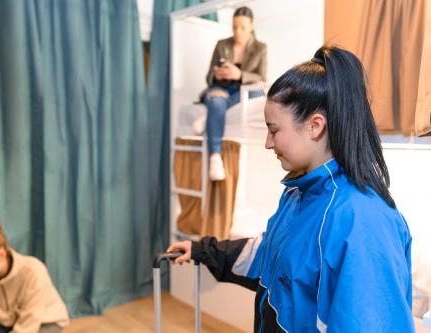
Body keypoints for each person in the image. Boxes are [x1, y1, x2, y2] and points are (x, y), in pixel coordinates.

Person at [168, 46, 414, 332]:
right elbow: (269, 253)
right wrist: (203, 250)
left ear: (315, 126)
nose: (268, 143)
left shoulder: (363, 220)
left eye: (274, 130)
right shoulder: (298, 194)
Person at [0, 218, 70, 333]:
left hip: (44, 321)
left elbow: (29, 323)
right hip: (6, 323)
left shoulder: (33, 271)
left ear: (1, 255)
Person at [199, 6, 267, 181]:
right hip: (222, 88)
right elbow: (209, 77)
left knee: (255, 92)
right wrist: (218, 74)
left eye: (242, 27)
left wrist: (240, 75)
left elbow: (262, 79)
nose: (238, 31)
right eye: (234, 27)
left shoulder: (260, 48)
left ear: (251, 26)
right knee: (217, 100)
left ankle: (210, 115)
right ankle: (215, 156)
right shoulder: (222, 45)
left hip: (244, 91)